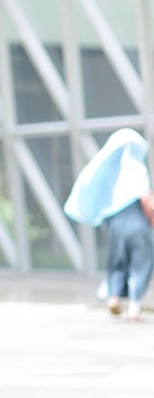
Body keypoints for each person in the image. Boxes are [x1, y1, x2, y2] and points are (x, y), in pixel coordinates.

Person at [64, 128, 154, 321]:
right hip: (137, 225)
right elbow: (146, 200)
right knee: (141, 262)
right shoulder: (136, 169)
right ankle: (134, 307)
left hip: (114, 226)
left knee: (117, 262)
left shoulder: (109, 174)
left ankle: (114, 297)